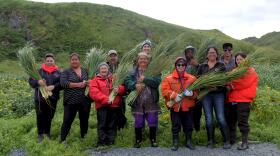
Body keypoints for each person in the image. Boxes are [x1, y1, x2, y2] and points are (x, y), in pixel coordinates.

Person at [124, 52, 161, 148]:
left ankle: (153, 140)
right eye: (141, 58)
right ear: (137, 60)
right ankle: (138, 141)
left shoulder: (154, 71)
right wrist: (135, 85)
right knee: (138, 121)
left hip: (151, 101)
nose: (143, 60)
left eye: (145, 58)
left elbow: (156, 82)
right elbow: (127, 82)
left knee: (152, 120)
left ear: (148, 61)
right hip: (138, 101)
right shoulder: (132, 72)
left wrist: (145, 79)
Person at [197, 46, 231, 149]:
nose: (212, 54)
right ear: (207, 54)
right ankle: (210, 141)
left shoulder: (221, 65)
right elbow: (198, 81)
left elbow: (225, 81)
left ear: (216, 54)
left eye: (214, 52)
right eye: (210, 52)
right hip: (206, 96)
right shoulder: (202, 66)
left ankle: (226, 141)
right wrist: (206, 86)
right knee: (208, 118)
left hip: (218, 95)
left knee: (220, 117)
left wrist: (216, 87)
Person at [162, 57, 197, 151]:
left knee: (189, 124)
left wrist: (192, 94)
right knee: (175, 124)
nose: (181, 66)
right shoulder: (168, 78)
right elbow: (164, 91)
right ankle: (175, 142)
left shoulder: (192, 78)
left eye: (183, 65)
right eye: (179, 65)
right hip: (175, 106)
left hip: (188, 106)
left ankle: (189, 141)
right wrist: (173, 95)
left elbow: (197, 93)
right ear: (175, 66)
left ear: (185, 66)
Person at [226, 53, 258, 150]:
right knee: (231, 120)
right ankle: (232, 139)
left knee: (242, 121)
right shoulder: (235, 71)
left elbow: (244, 83)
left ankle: (245, 142)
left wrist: (232, 84)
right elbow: (228, 80)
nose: (238, 61)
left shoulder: (250, 71)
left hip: (244, 100)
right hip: (233, 99)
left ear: (245, 60)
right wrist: (229, 83)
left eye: (240, 59)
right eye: (237, 59)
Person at [89, 62, 126, 146]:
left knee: (112, 124)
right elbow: (94, 93)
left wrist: (119, 89)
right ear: (99, 70)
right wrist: (106, 99)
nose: (104, 70)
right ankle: (102, 141)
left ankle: (111, 141)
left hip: (113, 106)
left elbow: (123, 88)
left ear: (108, 69)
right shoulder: (95, 80)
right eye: (102, 68)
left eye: (105, 68)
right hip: (102, 106)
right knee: (102, 124)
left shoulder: (115, 78)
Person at [28, 53, 61, 143]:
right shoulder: (38, 71)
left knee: (49, 116)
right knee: (40, 115)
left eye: (51, 61)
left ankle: (47, 133)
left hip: (53, 98)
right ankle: (40, 134)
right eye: (48, 61)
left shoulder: (58, 73)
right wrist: (38, 82)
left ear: (54, 61)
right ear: (44, 61)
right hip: (40, 99)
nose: (49, 62)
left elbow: (62, 84)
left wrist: (54, 86)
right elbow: (31, 82)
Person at [60, 53, 91, 143]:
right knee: (67, 120)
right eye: (72, 59)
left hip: (84, 100)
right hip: (70, 100)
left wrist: (89, 82)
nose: (74, 61)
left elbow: (90, 81)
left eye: (76, 59)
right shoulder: (66, 72)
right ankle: (63, 139)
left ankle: (84, 137)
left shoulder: (85, 71)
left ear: (79, 60)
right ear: (70, 61)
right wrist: (78, 84)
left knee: (84, 120)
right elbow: (63, 83)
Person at [106, 49, 127, 130]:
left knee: (121, 111)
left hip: (120, 93)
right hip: (108, 94)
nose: (113, 57)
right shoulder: (104, 66)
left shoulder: (121, 66)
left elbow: (125, 79)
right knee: (109, 112)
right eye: (111, 56)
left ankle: (120, 127)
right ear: (108, 57)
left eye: (114, 56)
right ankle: (110, 128)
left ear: (117, 57)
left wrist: (121, 89)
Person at [184, 45, 202, 132]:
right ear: (185, 53)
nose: (189, 53)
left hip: (197, 90)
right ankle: (188, 129)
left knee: (198, 110)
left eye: (191, 51)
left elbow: (204, 72)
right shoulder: (183, 63)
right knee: (188, 110)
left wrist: (198, 65)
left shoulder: (198, 62)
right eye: (188, 52)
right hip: (186, 90)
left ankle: (197, 128)